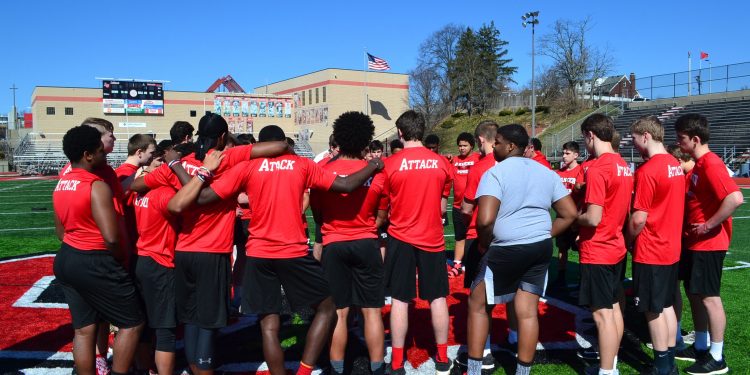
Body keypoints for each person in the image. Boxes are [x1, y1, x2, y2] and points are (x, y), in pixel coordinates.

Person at [168, 124, 383, 375]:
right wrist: (373, 166)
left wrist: (182, 168)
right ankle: (304, 371)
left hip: (258, 252)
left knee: (268, 326)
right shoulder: (300, 164)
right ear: (282, 142)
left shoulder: (247, 167)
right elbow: (346, 186)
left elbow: (203, 198)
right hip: (292, 251)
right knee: (327, 308)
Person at [131, 114, 289, 375]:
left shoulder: (178, 165)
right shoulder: (225, 159)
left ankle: (196, 367)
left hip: (182, 252)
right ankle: (203, 368)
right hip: (213, 253)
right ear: (222, 137)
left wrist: (152, 173)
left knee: (191, 318)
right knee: (207, 321)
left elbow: (135, 185)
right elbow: (279, 146)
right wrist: (238, 150)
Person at [471, 124, 576, 375]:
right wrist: (543, 233)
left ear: (510, 146)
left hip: (506, 248)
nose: (493, 145)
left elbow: (484, 220)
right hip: (539, 247)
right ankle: (523, 372)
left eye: (497, 141)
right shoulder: (546, 172)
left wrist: (485, 242)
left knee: (477, 305)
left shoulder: (495, 173)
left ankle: (474, 370)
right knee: (527, 312)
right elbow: (570, 213)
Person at [53, 125, 145, 375]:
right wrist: (119, 260)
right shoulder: (96, 185)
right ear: (88, 154)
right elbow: (112, 238)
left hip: (67, 258)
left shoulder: (62, 183)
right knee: (133, 323)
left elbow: (60, 232)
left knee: (84, 329)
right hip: (95, 259)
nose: (104, 152)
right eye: (99, 149)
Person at [310, 112, 387, 375]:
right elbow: (381, 215)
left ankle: (337, 368)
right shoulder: (377, 173)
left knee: (339, 313)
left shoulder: (323, 171)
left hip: (334, 243)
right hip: (366, 242)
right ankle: (378, 368)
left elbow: (317, 215)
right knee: (372, 312)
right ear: (366, 139)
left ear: (339, 139)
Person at [381, 111, 453, 375]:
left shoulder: (390, 164)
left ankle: (397, 363)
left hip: (400, 236)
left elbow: (384, 207)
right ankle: (443, 359)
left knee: (400, 299)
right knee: (437, 298)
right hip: (432, 236)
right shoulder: (442, 162)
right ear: (422, 130)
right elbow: (443, 208)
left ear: (400, 132)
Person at [674, 114, 743, 374]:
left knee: (710, 298)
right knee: (695, 294)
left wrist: (707, 225)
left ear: (695, 139)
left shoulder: (711, 163)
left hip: (710, 244)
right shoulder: (700, 164)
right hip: (697, 243)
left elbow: (735, 199)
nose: (679, 143)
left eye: (681, 138)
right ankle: (701, 345)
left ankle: (717, 356)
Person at [625, 116, 685, 375]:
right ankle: (668, 361)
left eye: (636, 139)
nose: (635, 144)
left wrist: (627, 239)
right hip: (671, 247)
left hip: (652, 248)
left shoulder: (649, 170)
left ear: (645, 136)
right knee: (667, 305)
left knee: (652, 309)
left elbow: (639, 217)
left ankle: (662, 365)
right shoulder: (675, 164)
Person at [577, 114, 634, 375]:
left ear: (590, 135)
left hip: (598, 248)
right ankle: (610, 364)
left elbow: (593, 217)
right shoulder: (623, 164)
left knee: (602, 314)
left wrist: (571, 218)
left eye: (584, 138)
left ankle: (607, 370)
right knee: (613, 309)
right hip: (615, 246)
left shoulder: (599, 168)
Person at [456, 120, 499, 372]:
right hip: (514, 238)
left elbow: (467, 208)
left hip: (481, 236)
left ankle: (482, 353)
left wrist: (466, 222)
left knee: (478, 299)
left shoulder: (480, 167)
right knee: (518, 301)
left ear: (481, 140)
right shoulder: (518, 165)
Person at [449, 132, 480, 278]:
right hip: (457, 206)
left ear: (472, 146)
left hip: (474, 206)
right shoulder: (453, 160)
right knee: (459, 236)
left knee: (475, 236)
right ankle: (457, 263)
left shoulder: (478, 159)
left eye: (465, 145)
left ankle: (475, 261)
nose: (462, 148)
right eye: (460, 145)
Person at [555, 141, 584, 285]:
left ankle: (583, 277)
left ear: (576, 155)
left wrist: (577, 216)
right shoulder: (559, 173)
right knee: (562, 247)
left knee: (581, 247)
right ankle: (561, 276)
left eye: (567, 153)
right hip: (562, 217)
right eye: (563, 153)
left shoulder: (581, 171)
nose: (564, 156)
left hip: (577, 218)